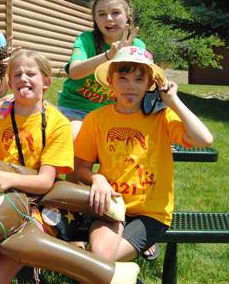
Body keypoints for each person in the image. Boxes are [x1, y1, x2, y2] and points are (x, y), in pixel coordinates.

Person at [74, 46, 213, 264]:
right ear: (110, 81)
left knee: (98, 263)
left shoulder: (162, 117)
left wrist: (173, 101)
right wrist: (97, 178)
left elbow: (204, 139)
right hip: (111, 206)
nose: (130, 86)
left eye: (139, 80)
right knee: (98, 257)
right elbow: (81, 168)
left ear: (150, 84)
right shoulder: (96, 119)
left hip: (151, 214)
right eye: (123, 78)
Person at [0, 49, 74, 284]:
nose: (23, 79)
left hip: (36, 206)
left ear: (46, 82)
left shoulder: (58, 123)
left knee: (6, 261)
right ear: (9, 83)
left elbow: (45, 181)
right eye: (17, 75)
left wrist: (8, 179)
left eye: (31, 74)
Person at [57, 0, 145, 140]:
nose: (109, 19)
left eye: (116, 12)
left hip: (113, 113)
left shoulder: (137, 46)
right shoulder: (86, 39)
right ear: (95, 19)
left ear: (127, 15)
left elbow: (143, 84)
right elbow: (74, 72)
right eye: (102, 14)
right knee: (78, 140)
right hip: (76, 110)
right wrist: (109, 56)